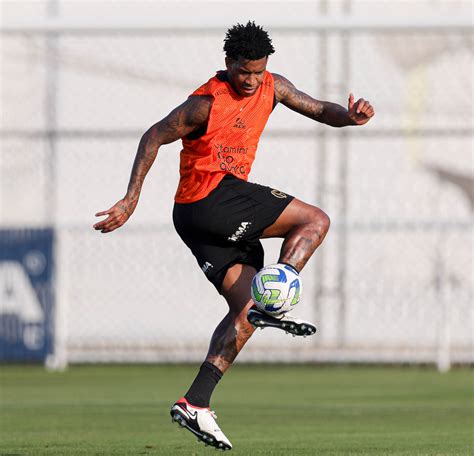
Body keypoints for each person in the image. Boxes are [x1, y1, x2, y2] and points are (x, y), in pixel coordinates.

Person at [93, 21, 374, 451]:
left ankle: (196, 401)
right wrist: (131, 199)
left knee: (246, 309)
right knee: (314, 221)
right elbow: (154, 136)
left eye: (259, 72)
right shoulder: (205, 102)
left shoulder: (274, 88)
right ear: (228, 64)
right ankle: (278, 291)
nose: (252, 80)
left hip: (193, 220)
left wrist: (350, 118)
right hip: (211, 198)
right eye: (245, 72)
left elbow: (319, 109)